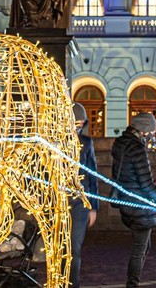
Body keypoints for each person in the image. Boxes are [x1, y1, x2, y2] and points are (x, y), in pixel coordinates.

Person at [112, 113, 156, 288]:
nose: (152, 136)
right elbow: (146, 183)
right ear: (143, 130)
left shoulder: (120, 144)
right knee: (139, 251)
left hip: (127, 202)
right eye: (151, 132)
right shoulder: (137, 149)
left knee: (144, 247)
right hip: (140, 207)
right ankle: (132, 284)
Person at [70, 103, 99, 288]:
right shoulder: (54, 142)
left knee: (74, 249)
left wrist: (93, 207)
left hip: (80, 204)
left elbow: (92, 176)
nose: (78, 126)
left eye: (81, 123)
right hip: (57, 203)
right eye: (75, 122)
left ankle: (73, 285)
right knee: (58, 248)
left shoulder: (86, 143)